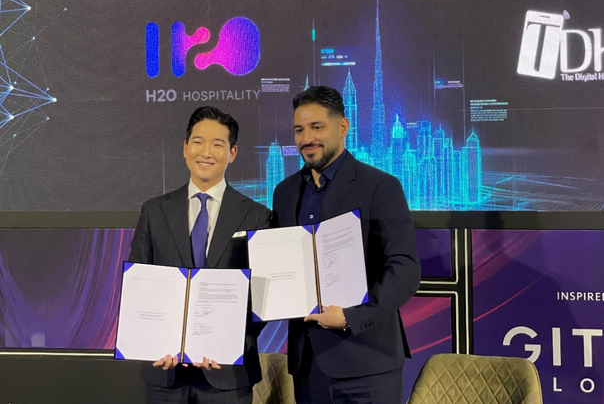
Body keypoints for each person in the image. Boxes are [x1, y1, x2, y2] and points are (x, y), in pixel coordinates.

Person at [272, 86, 421, 403]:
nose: (306, 138)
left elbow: (404, 270)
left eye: (316, 127)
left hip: (368, 362)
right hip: (307, 365)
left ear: (342, 127)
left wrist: (352, 317)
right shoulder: (284, 193)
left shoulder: (380, 186)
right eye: (299, 130)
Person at [128, 106, 270, 404]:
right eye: (198, 142)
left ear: (232, 153)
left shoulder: (257, 216)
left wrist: (227, 343)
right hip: (164, 373)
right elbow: (138, 287)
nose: (206, 152)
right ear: (185, 148)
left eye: (217, 144)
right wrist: (154, 340)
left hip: (227, 375)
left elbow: (263, 297)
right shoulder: (154, 211)